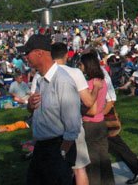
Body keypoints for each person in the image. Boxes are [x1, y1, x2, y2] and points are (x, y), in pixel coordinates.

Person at [24, 33, 82, 185]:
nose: (25, 57)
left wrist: (62, 152)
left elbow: (73, 124)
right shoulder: (41, 79)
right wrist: (30, 106)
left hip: (56, 148)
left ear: (39, 53)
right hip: (42, 148)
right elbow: (39, 111)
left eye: (27, 53)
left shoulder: (62, 81)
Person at [50, 42, 102, 185]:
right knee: (79, 168)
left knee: (56, 169)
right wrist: (96, 89)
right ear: (67, 55)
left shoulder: (41, 75)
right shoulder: (75, 73)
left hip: (51, 127)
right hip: (72, 126)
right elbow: (88, 102)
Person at [79, 52, 115, 185]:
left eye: (81, 64)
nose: (80, 66)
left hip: (90, 125)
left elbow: (92, 110)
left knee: (93, 163)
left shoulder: (90, 84)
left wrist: (79, 108)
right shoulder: (102, 81)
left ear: (87, 65)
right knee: (104, 159)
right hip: (101, 122)